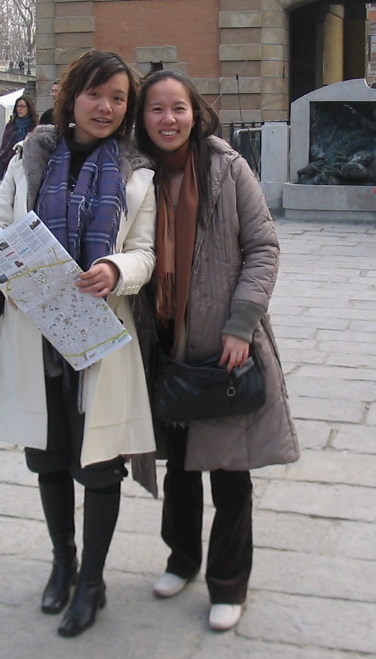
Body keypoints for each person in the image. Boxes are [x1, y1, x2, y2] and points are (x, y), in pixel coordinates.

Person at [0, 50, 157, 638]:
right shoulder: (29, 157)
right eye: (95, 94)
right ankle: (63, 562)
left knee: (100, 465)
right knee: (48, 458)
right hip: (37, 329)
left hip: (101, 337)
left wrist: (114, 269)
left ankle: (93, 581)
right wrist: (3, 257)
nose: (106, 107)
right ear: (71, 95)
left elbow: (148, 252)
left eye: (119, 98)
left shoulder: (137, 171)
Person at [135, 70, 299, 632]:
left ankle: (229, 583)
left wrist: (240, 324)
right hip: (165, 344)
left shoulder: (228, 168)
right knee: (179, 467)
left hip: (223, 346)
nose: (168, 120)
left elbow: (263, 247)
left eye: (177, 107)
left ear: (195, 110)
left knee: (230, 473)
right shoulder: (136, 173)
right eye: (156, 109)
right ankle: (182, 558)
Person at [0, 95, 37, 180]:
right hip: (10, 164)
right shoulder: (11, 126)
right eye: (18, 106)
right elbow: (4, 150)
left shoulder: (35, 127)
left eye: (23, 106)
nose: (19, 109)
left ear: (29, 108)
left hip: (29, 167)